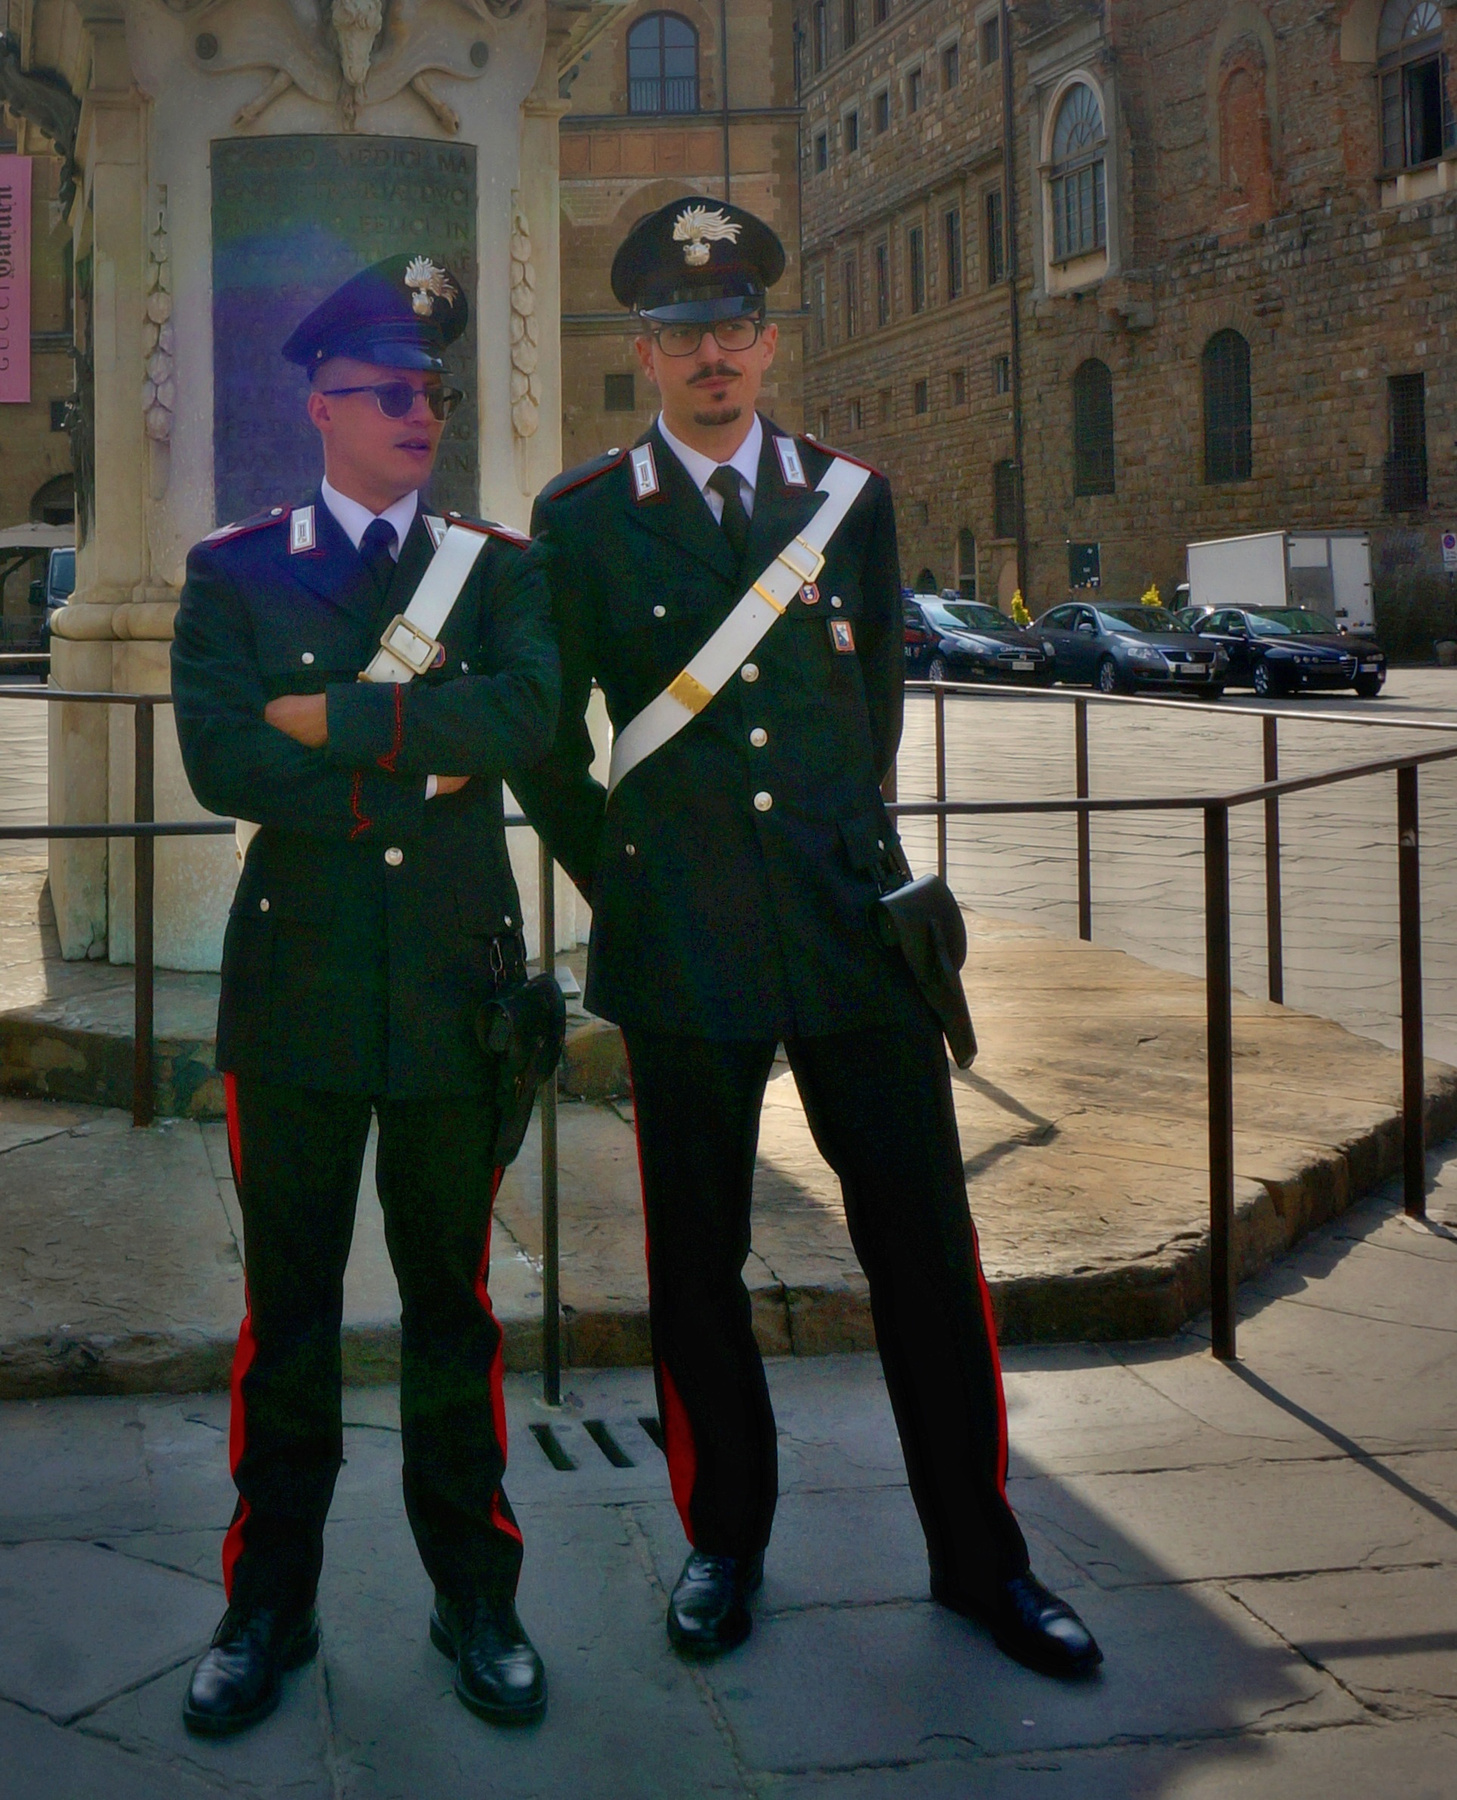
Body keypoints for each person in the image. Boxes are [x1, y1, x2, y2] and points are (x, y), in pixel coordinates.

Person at [511, 197, 1101, 1677]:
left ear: (769, 339)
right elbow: (545, 738)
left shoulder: (850, 497)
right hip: (683, 940)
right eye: (682, 331)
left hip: (850, 930)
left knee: (926, 1248)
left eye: (733, 326)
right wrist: (624, 877)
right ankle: (724, 1540)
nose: (712, 353)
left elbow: (872, 707)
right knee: (697, 1259)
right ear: (644, 349)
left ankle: (981, 1557)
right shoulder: (583, 519)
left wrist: (840, 848)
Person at [171, 254, 559, 1735]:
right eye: (391, 392)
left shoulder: (497, 569)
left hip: (459, 985)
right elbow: (222, 758)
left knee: (452, 1306)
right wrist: (424, 757)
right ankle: (268, 1599)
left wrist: (332, 719)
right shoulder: (235, 571)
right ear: (322, 407)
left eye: (434, 392)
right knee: (290, 1315)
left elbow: (527, 714)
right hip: (300, 993)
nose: (421, 414)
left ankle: (478, 1594)